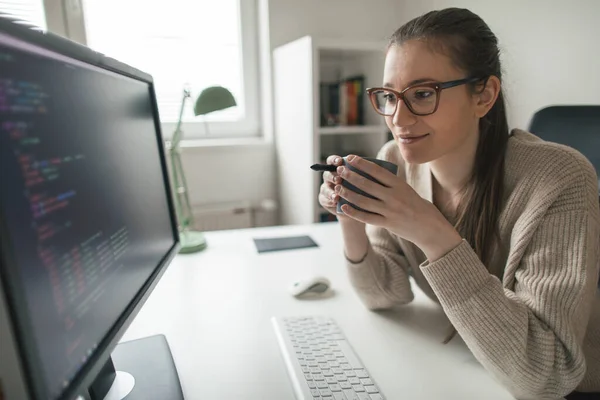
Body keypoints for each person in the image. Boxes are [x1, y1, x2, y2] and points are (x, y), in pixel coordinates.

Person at [318, 7, 600, 400]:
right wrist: (349, 214)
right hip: (466, 364)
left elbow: (546, 374)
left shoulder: (559, 178)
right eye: (387, 96)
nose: (398, 118)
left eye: (421, 94)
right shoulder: (396, 160)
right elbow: (385, 294)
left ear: (483, 95)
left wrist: (430, 231)